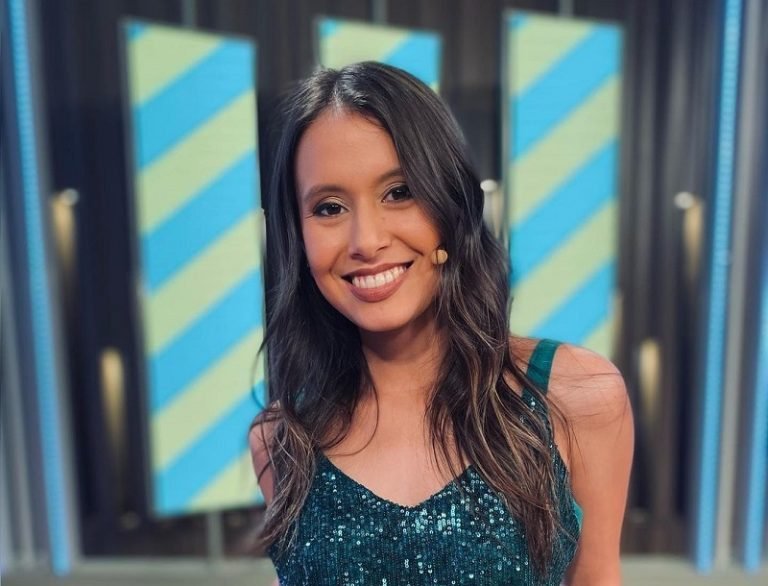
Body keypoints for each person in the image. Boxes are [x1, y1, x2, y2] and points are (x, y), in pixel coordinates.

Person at [249, 61, 633, 585]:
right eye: (330, 207)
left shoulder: (575, 395)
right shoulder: (281, 439)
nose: (366, 241)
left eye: (398, 192)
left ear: (449, 204)